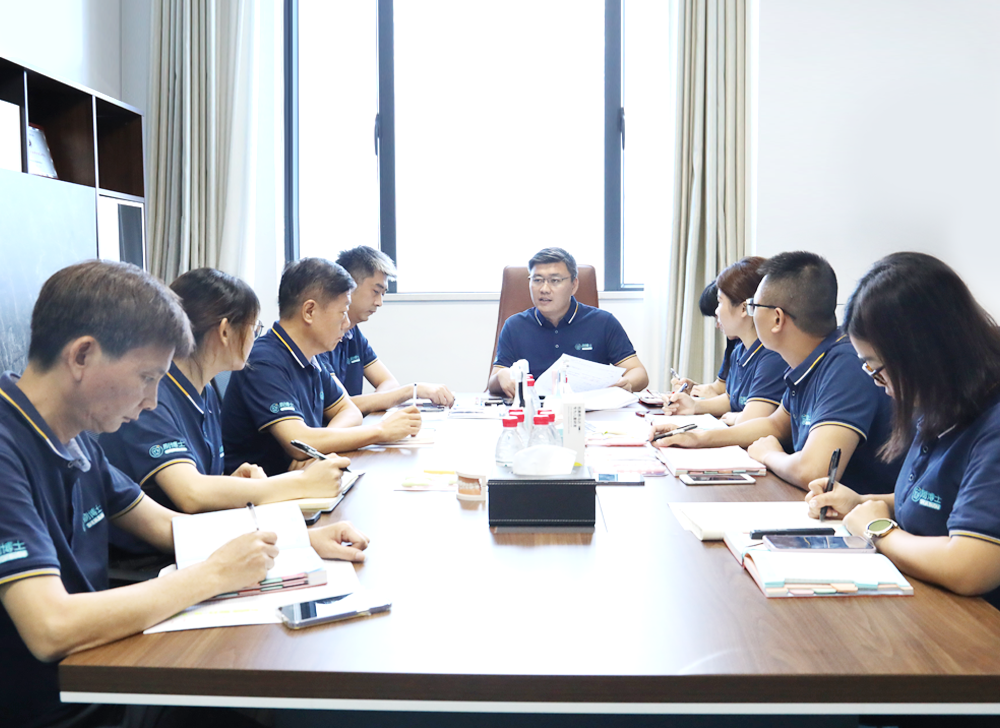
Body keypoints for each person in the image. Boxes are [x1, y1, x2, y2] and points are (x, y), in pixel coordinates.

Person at [0, 261, 369, 728]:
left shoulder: (76, 437)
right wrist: (212, 574)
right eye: (146, 377)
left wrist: (295, 539)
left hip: (107, 677)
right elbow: (51, 627)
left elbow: (163, 524)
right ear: (82, 356)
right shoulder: (9, 447)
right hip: (59, 707)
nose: (153, 400)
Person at [806, 252, 1000, 609]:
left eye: (877, 369)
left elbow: (971, 565)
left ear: (922, 354)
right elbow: (941, 500)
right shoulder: (943, 402)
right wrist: (862, 503)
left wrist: (878, 531)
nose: (877, 384)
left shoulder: (992, 422)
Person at [100, 269, 348, 543]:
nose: (255, 337)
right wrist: (301, 483)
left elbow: (200, 482)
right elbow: (192, 493)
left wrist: (232, 480)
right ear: (225, 331)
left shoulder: (204, 390)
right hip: (160, 555)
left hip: (201, 535)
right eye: (254, 328)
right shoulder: (152, 397)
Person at [651, 251, 900, 494]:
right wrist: (698, 438)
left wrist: (769, 454)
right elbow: (776, 424)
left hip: (857, 513)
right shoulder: (806, 362)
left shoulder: (844, 365)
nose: (751, 313)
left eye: (754, 306)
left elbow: (813, 471)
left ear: (777, 319)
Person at [222, 258, 421, 476]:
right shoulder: (264, 361)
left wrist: (316, 451)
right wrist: (380, 431)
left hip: (303, 481)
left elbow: (349, 411)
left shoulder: (311, 357)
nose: (347, 324)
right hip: (263, 490)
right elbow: (297, 441)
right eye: (342, 312)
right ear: (309, 311)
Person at [489, 247, 649, 397]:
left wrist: (626, 383)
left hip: (588, 409)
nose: (544, 289)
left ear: (574, 285)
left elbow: (638, 372)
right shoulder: (514, 326)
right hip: (534, 410)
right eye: (537, 280)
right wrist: (502, 375)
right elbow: (494, 381)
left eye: (555, 280)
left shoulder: (603, 322)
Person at [320, 245, 455, 414]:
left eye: (382, 294)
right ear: (349, 287)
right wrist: (413, 390)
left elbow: (390, 383)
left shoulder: (353, 333)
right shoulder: (320, 338)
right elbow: (340, 406)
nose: (379, 302)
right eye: (375, 291)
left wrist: (374, 402)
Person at [664, 257, 786, 426]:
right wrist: (693, 405)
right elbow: (731, 399)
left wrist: (735, 417)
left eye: (720, 302)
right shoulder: (739, 351)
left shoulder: (772, 355)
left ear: (744, 308)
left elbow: (751, 419)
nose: (717, 311)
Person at [671, 280, 737, 399]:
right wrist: (695, 389)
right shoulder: (734, 343)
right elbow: (721, 387)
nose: (717, 325)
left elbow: (742, 403)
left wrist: (712, 399)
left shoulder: (763, 351)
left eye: (717, 317)